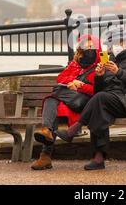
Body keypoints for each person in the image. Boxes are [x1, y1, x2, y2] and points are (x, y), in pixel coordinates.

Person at [56, 26, 126, 171]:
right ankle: (98, 158)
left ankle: (73, 130)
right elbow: (99, 89)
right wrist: (99, 75)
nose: (113, 47)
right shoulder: (109, 59)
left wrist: (119, 72)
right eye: (111, 44)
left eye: (117, 43)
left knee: (100, 100)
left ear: (125, 43)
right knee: (99, 109)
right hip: (109, 99)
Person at [31, 34, 102, 170]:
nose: (88, 49)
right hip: (67, 99)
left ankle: (46, 152)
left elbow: (98, 91)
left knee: (55, 93)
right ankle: (45, 142)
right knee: (51, 101)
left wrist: (80, 85)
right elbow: (61, 77)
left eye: (91, 46)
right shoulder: (75, 64)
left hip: (85, 103)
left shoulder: (100, 68)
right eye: (85, 46)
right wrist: (72, 82)